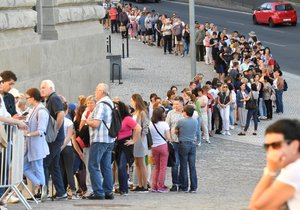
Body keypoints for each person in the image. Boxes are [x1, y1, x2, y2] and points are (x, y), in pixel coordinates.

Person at [250, 119, 300, 210]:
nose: (270, 151)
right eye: (267, 146)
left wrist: (270, 170)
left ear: (295, 145)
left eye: (276, 145)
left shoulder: (295, 170)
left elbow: (257, 207)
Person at [85, 83, 115, 200]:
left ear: (101, 91)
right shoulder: (110, 103)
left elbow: (96, 123)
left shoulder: (101, 104)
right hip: (109, 139)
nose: (95, 92)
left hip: (100, 139)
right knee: (106, 166)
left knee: (93, 165)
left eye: (96, 90)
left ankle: (98, 192)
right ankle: (108, 191)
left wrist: (88, 121)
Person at [40, 80, 66, 201]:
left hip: (54, 138)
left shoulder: (54, 98)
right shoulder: (51, 99)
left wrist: (56, 129)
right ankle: (61, 192)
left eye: (44, 87)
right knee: (54, 166)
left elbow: (61, 114)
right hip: (55, 137)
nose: (41, 89)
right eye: (41, 87)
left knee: (45, 163)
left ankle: (44, 193)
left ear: (51, 88)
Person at [23, 88, 49, 200]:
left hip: (37, 145)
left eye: (27, 98)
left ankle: (42, 190)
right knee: (24, 167)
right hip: (31, 145)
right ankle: (40, 185)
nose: (27, 100)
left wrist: (27, 134)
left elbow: (41, 131)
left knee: (38, 168)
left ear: (33, 98)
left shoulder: (41, 111)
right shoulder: (35, 109)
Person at [116, 101, 141, 195]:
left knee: (122, 166)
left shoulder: (127, 119)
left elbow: (138, 128)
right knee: (120, 167)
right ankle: (122, 188)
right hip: (118, 144)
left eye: (117, 108)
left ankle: (124, 189)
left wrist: (133, 140)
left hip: (125, 144)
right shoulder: (119, 118)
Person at [128, 94, 149, 192]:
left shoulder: (142, 113)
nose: (131, 102)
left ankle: (144, 185)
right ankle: (139, 184)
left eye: (132, 100)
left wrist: (141, 137)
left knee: (142, 163)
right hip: (135, 139)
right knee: (137, 163)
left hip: (140, 140)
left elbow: (145, 128)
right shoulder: (135, 112)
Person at [175, 105, 198, 193]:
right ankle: (194, 187)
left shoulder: (181, 121)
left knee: (184, 166)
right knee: (192, 166)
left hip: (183, 143)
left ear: (185, 112)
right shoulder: (195, 121)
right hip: (192, 144)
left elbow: (175, 130)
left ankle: (184, 186)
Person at [149, 107, 171, 193]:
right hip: (163, 146)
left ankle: (154, 186)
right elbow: (168, 137)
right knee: (163, 168)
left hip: (154, 147)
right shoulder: (165, 124)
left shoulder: (151, 124)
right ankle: (161, 186)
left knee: (156, 167)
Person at [60, 101, 78, 199]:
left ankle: (61, 191)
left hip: (58, 147)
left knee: (61, 170)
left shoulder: (55, 120)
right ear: (66, 111)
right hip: (68, 147)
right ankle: (73, 191)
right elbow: (69, 136)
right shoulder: (69, 122)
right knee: (69, 170)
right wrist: (63, 146)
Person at [166, 96, 184, 192]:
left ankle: (182, 183)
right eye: (174, 104)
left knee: (183, 163)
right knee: (175, 163)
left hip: (184, 141)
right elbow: (166, 126)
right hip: (174, 141)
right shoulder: (170, 113)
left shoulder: (185, 113)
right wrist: (169, 138)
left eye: (177, 104)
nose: (175, 106)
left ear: (182, 104)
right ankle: (175, 183)